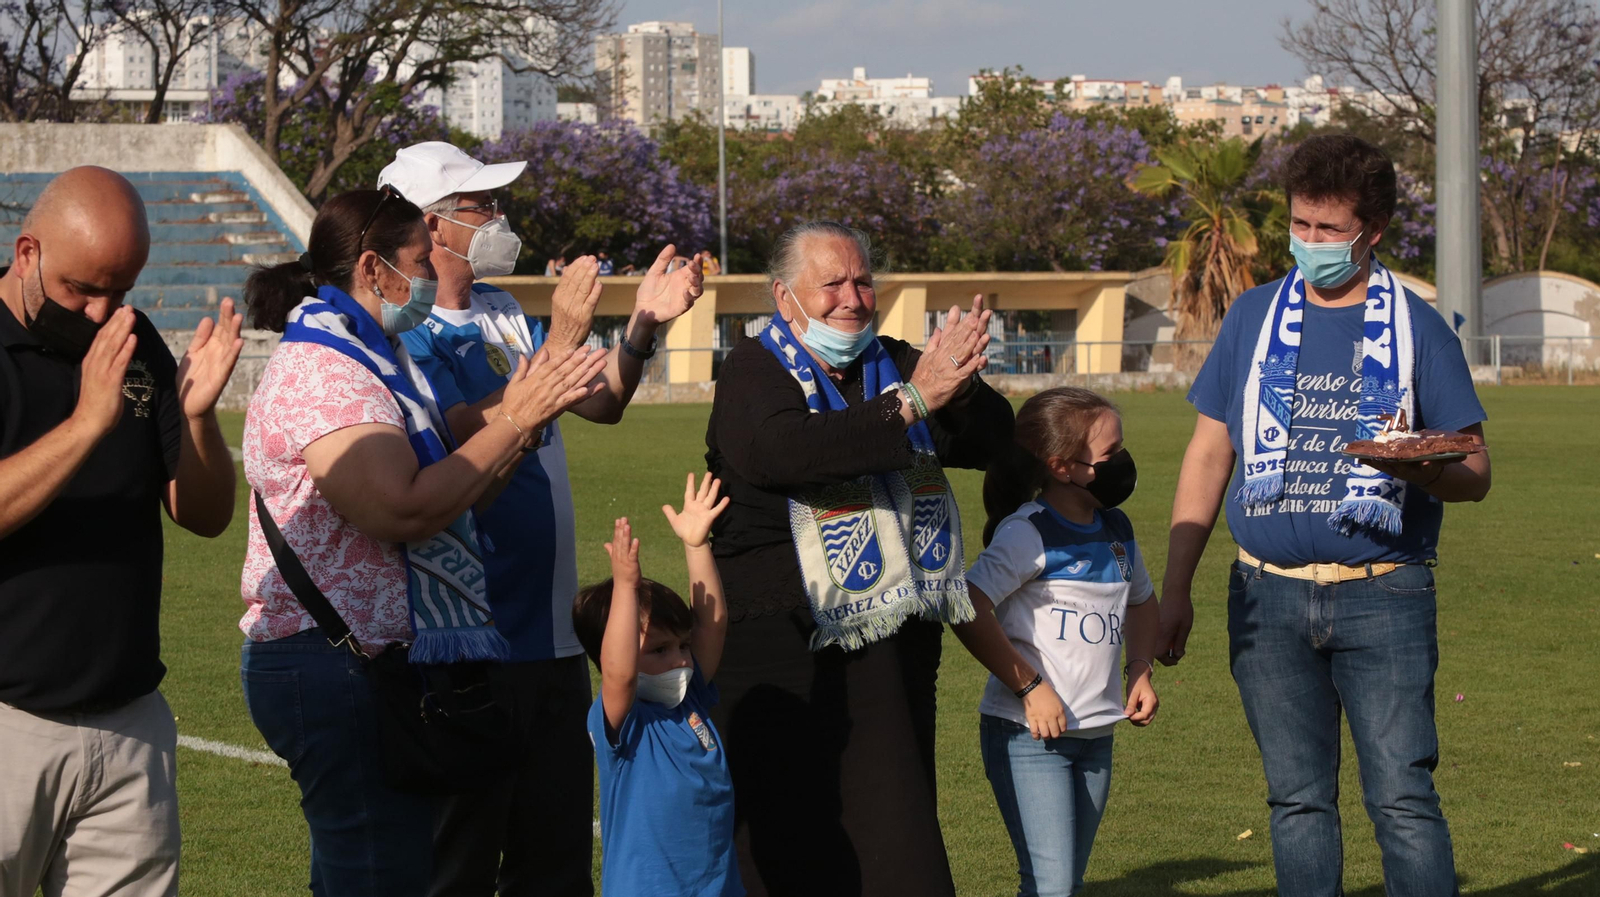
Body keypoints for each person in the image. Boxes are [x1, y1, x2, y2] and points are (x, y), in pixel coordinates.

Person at [238, 187, 607, 897]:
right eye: (418, 260)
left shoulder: (378, 352)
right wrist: (518, 421)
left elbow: (456, 484)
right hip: (333, 664)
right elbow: (405, 510)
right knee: (378, 872)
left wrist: (530, 404)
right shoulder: (327, 371)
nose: (432, 275)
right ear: (375, 270)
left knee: (399, 868)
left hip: (375, 662)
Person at [1160, 134, 1491, 897]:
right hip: (1265, 596)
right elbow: (1210, 456)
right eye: (1300, 225)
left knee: (1403, 801)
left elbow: (1475, 471)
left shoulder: (1417, 327)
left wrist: (1420, 465)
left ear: (1371, 231)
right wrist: (1177, 588)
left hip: (1385, 593)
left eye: (1328, 229)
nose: (1309, 243)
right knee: (1297, 801)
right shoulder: (1251, 317)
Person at [378, 141, 706, 897]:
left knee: (555, 864)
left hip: (552, 640)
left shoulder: (502, 312)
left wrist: (643, 327)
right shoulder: (408, 330)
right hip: (468, 640)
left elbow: (603, 401)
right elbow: (462, 433)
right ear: (431, 226)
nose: (499, 218)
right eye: (481, 205)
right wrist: (559, 340)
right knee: (458, 864)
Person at [703, 220, 1015, 896]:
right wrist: (912, 403)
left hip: (889, 652)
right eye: (832, 283)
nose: (852, 297)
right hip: (778, 648)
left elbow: (992, 440)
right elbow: (788, 452)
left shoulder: (895, 359)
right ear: (786, 299)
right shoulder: (753, 369)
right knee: (785, 844)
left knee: (895, 840)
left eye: (863, 280)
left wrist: (957, 385)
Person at [0, 166, 241, 897]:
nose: (106, 312)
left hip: (130, 725)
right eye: (83, 290)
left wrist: (198, 419)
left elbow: (204, 514)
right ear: (27, 252)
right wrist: (85, 426)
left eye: (123, 290)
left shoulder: (136, 349)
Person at [951, 388, 1159, 897]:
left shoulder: (1117, 529)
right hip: (1028, 737)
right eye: (1110, 454)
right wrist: (1029, 687)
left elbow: (1143, 600)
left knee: (1063, 884)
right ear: (1063, 467)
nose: (1123, 462)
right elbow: (964, 604)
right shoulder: (1029, 532)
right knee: (1052, 886)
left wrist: (1141, 669)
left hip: (1096, 737)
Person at [573, 474, 741, 897]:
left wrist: (696, 545)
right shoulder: (622, 721)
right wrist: (626, 588)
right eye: (660, 650)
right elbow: (620, 671)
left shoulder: (690, 701)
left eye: (682, 646)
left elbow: (712, 625)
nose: (681, 659)